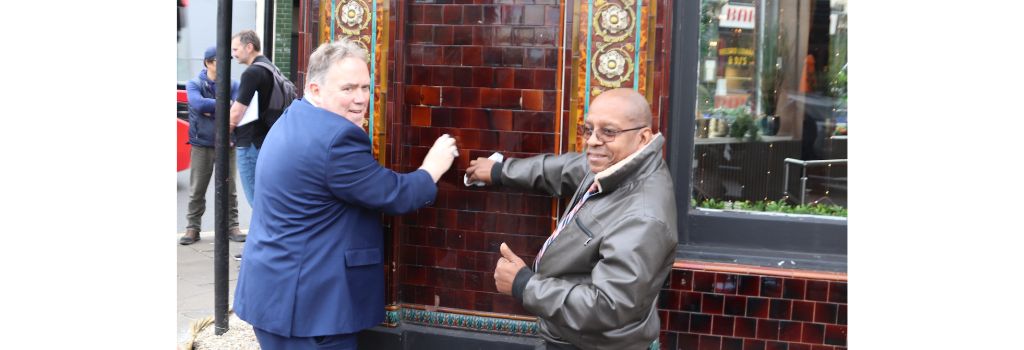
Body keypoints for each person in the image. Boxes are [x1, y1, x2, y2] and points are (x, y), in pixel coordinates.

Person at [233, 39, 459, 350]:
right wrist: (432, 168)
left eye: (365, 88)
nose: (360, 99)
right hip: (311, 311)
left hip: (277, 296)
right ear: (314, 89)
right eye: (348, 89)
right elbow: (393, 194)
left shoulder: (294, 117)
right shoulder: (336, 138)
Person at [465, 88, 678, 350]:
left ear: (642, 137)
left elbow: (608, 307)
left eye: (608, 132)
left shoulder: (643, 217)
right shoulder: (618, 165)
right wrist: (501, 171)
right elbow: (563, 169)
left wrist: (524, 284)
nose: (592, 141)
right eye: (588, 129)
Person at [179, 45, 246, 245]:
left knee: (229, 188)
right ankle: (192, 228)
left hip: (228, 143)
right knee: (197, 189)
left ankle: (232, 226)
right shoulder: (194, 84)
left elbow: (240, 106)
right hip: (202, 144)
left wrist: (214, 107)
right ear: (208, 62)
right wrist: (225, 105)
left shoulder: (233, 84)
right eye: (220, 61)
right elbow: (198, 104)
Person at [229, 29, 280, 207]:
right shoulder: (270, 67)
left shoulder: (252, 73)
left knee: (255, 199)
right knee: (267, 196)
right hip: (265, 140)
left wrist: (223, 133)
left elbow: (237, 111)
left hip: (249, 142)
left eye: (235, 49)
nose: (233, 54)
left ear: (249, 47)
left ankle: (263, 234)